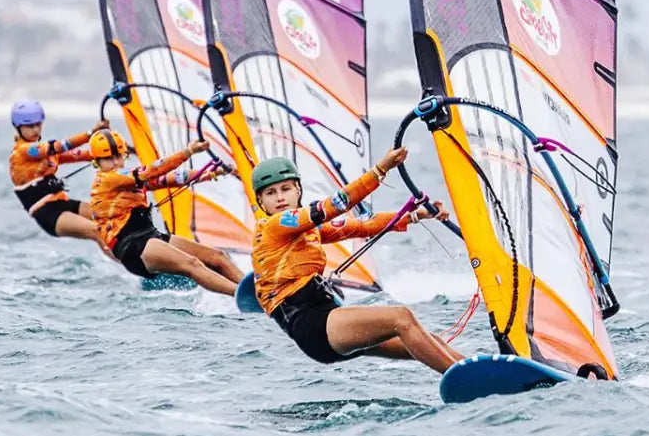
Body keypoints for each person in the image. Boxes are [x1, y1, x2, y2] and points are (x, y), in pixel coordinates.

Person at [250, 148, 463, 373]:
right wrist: (380, 170)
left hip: (329, 317)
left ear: (298, 190)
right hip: (312, 326)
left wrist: (415, 215)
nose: (280, 197)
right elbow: (334, 206)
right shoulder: (274, 226)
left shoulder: (308, 228)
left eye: (286, 189)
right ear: (262, 202)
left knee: (430, 341)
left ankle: (488, 369)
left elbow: (361, 225)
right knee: (401, 318)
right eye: (271, 193)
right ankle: (465, 378)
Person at [87, 130, 245, 295]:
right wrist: (188, 152)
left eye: (118, 156)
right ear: (96, 162)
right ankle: (244, 295)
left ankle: (258, 290)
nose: (115, 162)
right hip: (132, 247)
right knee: (193, 264)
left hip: (149, 236)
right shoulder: (108, 179)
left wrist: (211, 173)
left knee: (217, 257)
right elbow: (153, 171)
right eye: (108, 158)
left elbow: (170, 178)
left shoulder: (126, 179)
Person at [8, 100, 107, 241]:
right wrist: (91, 133)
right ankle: (130, 262)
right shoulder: (24, 151)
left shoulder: (45, 154)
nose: (36, 129)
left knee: (109, 216)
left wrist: (113, 151)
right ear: (17, 127)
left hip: (63, 203)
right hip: (48, 213)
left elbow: (77, 155)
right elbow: (61, 146)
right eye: (30, 126)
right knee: (97, 231)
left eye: (38, 124)